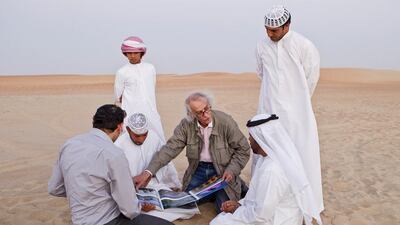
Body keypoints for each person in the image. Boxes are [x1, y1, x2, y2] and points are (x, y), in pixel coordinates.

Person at [48, 104, 173, 225]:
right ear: (120, 127)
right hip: (108, 220)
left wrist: (82, 193)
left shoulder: (69, 145)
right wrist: (140, 206)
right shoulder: (114, 154)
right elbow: (130, 210)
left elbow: (55, 188)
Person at [255, 5, 324, 212]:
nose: (269, 33)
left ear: (287, 26)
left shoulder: (304, 45)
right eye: (267, 29)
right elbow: (261, 73)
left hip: (297, 113)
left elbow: (312, 78)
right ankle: (269, 201)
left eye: (274, 30)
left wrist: (297, 102)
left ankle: (307, 205)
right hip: (268, 110)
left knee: (302, 154)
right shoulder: (261, 46)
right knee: (269, 154)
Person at [134, 92, 251, 213]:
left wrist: (232, 170)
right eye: (200, 112)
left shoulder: (225, 122)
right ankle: (213, 193)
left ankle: (236, 185)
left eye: (207, 108)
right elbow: (170, 149)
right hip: (198, 170)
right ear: (191, 114)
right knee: (184, 203)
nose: (206, 114)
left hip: (223, 171)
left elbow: (244, 149)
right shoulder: (186, 125)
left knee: (224, 209)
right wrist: (148, 172)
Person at [210, 114, 322, 225]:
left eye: (251, 136)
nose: (249, 139)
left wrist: (237, 211)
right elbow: (258, 198)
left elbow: (260, 216)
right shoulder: (268, 159)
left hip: (277, 220)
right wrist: (239, 205)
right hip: (268, 214)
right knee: (223, 217)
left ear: (261, 139)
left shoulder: (272, 170)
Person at [115, 113, 197, 222]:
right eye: (137, 136)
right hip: (131, 190)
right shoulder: (119, 146)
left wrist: (150, 176)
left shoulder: (153, 137)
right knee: (133, 210)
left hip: (153, 185)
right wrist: (138, 202)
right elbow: (117, 179)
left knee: (189, 208)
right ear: (128, 130)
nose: (141, 139)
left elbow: (164, 162)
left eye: (144, 134)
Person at [114, 36, 165, 142]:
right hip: (130, 112)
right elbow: (118, 96)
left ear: (141, 53)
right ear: (125, 54)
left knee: (157, 140)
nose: (132, 56)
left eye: (135, 53)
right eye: (129, 53)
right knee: (129, 141)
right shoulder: (122, 72)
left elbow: (151, 88)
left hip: (150, 111)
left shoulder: (150, 68)